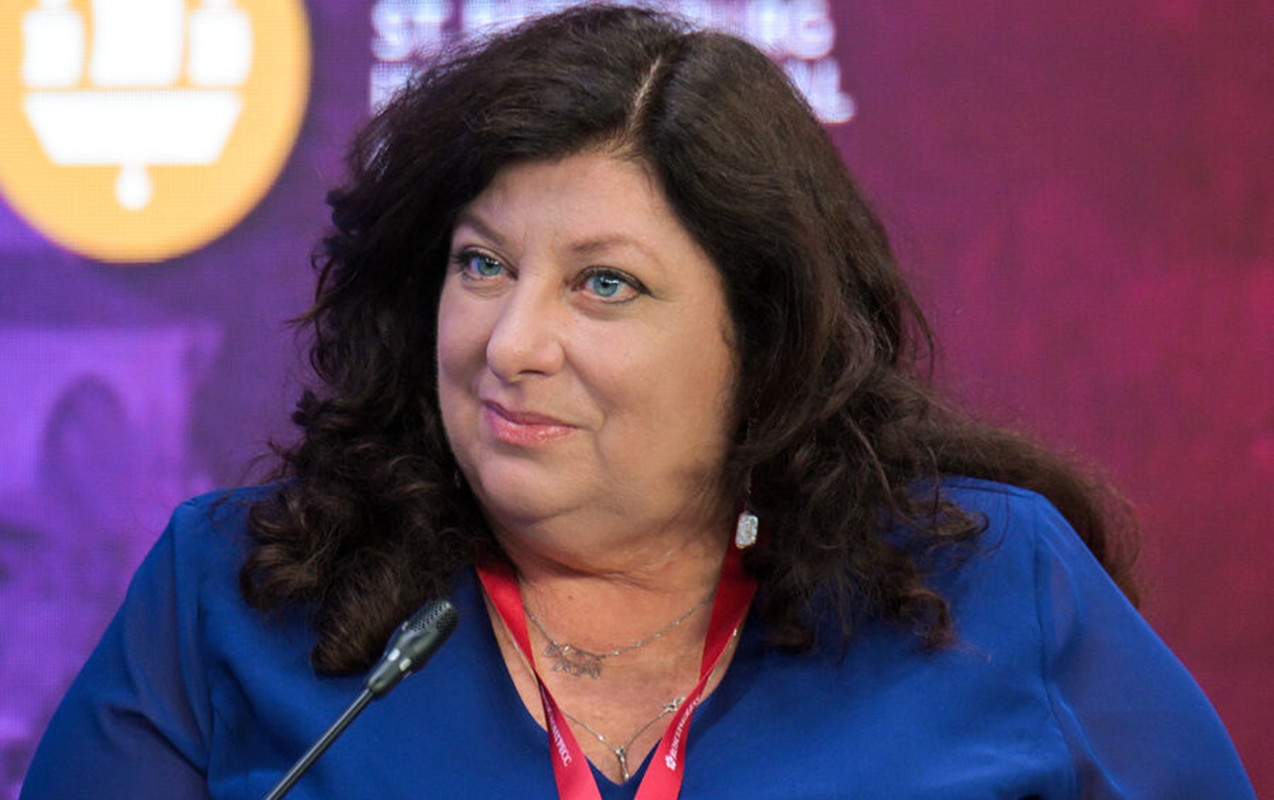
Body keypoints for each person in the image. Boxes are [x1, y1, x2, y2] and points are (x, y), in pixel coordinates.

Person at [21, 5, 1255, 799]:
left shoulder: (988, 586)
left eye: (603, 284)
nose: (513, 342)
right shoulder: (231, 595)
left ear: (761, 338)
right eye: (481, 264)